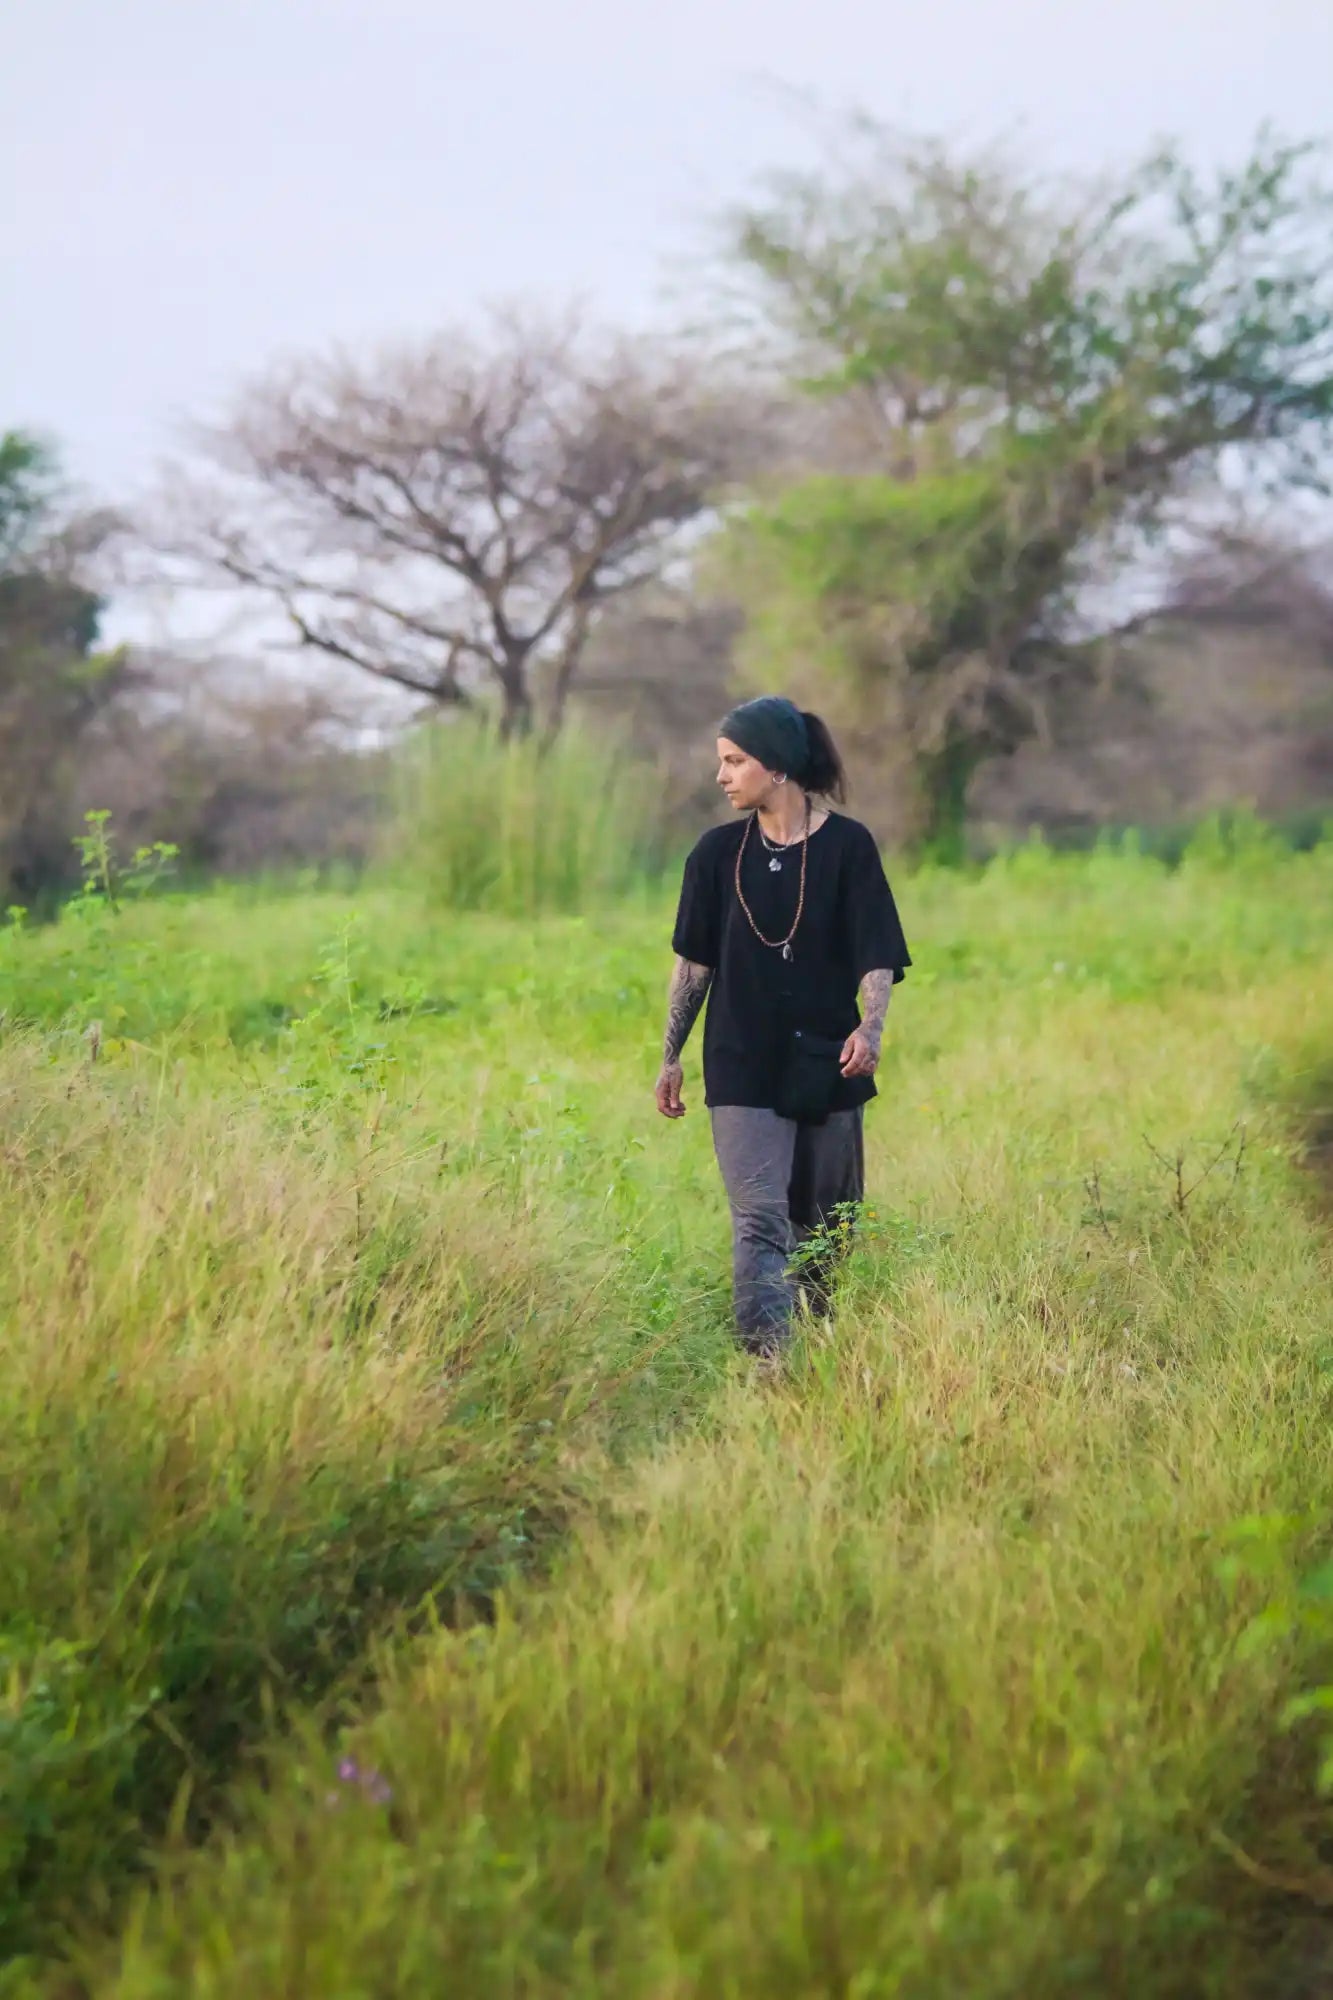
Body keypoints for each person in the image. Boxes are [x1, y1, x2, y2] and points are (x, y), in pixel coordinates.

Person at [655, 696, 911, 1356]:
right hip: (740, 1063)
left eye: (734, 761)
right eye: (722, 762)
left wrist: (871, 1029)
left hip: (828, 1058)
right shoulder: (714, 855)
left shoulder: (847, 846)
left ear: (776, 768)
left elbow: (875, 952)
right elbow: (692, 967)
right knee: (760, 1219)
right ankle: (767, 1365)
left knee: (826, 1226)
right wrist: (670, 1055)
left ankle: (822, 1346)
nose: (722, 776)